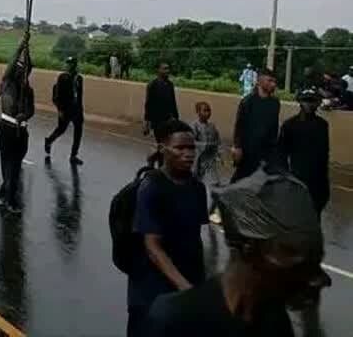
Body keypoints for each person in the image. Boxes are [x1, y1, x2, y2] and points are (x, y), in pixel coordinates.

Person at [145, 170, 330, 336]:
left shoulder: (274, 320)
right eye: (294, 258)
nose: (316, 280)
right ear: (250, 249)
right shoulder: (173, 320)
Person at [127, 119, 207, 335]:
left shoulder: (197, 188)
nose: (188, 154)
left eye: (191, 148)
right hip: (152, 289)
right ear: (163, 149)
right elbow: (152, 247)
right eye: (180, 148)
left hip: (186, 283)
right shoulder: (152, 186)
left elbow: (194, 238)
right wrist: (184, 286)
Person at [0, 38, 35, 213]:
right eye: (19, 72)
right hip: (6, 129)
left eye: (24, 72)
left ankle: (5, 191)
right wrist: (20, 46)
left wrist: (24, 115)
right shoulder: (7, 83)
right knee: (8, 164)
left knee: (15, 165)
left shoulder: (28, 90)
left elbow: (31, 110)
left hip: (21, 132)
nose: (22, 74)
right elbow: (12, 64)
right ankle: (10, 199)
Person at [279, 88, 330, 216]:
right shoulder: (289, 125)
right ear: (300, 102)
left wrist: (324, 183)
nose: (309, 104)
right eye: (306, 101)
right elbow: (281, 153)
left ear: (318, 103)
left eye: (312, 101)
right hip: (297, 178)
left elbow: (324, 153)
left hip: (318, 180)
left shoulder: (322, 125)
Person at [231, 68, 281, 182]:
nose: (273, 84)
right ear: (259, 81)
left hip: (266, 151)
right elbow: (239, 125)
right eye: (269, 81)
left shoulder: (275, 103)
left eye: (274, 82)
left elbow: (274, 127)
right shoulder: (248, 102)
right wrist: (237, 147)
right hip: (248, 149)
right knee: (241, 179)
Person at [45, 56, 85, 166]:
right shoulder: (62, 77)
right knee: (61, 129)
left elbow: (80, 95)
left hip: (77, 110)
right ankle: (49, 141)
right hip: (65, 109)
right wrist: (60, 110)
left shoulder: (79, 78)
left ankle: (73, 155)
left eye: (71, 64)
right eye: (68, 64)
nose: (69, 66)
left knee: (78, 133)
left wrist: (81, 110)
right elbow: (58, 95)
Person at [144, 63, 178, 166]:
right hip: (157, 120)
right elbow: (148, 104)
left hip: (168, 119)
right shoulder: (152, 85)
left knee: (166, 144)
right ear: (158, 70)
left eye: (168, 69)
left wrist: (176, 118)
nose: (167, 71)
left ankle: (157, 161)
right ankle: (157, 161)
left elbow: (173, 102)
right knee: (162, 143)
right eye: (164, 69)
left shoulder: (170, 85)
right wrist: (147, 122)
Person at [191, 102, 221, 190]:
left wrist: (218, 152)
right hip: (199, 159)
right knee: (196, 179)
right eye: (205, 110)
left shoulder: (212, 126)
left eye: (209, 110)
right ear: (198, 112)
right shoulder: (195, 126)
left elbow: (217, 140)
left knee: (214, 181)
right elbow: (192, 141)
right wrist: (204, 145)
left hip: (209, 159)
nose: (207, 113)